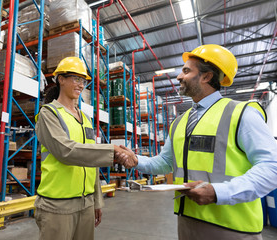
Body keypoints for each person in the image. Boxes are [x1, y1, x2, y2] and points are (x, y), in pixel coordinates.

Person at [118, 44, 277, 239]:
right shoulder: (179, 122)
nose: (179, 77)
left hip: (231, 227)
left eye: (186, 71)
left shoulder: (241, 113)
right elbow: (166, 162)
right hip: (188, 220)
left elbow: (272, 167)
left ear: (206, 76)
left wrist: (218, 192)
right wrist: (137, 160)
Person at [34, 56, 135, 240]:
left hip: (86, 204)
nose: (81, 85)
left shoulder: (86, 119)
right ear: (61, 79)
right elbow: (66, 151)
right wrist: (112, 151)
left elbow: (91, 161)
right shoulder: (48, 114)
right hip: (58, 207)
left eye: (83, 81)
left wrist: (97, 200)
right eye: (76, 79)